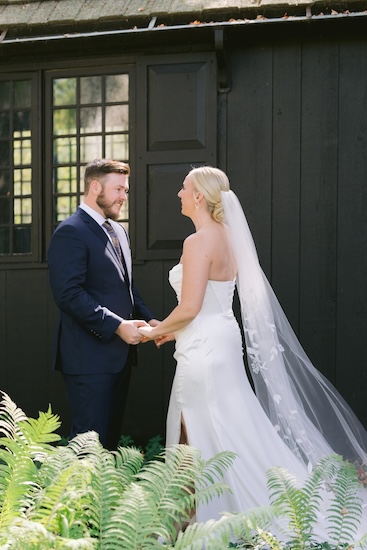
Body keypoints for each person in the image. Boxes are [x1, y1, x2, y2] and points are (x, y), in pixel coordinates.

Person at [138, 166, 367, 537]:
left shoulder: (197, 242)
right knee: (224, 425)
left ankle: (189, 523)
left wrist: (153, 332)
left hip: (204, 347)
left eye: (183, 189)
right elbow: (207, 304)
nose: (178, 194)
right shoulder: (228, 236)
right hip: (222, 339)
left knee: (190, 430)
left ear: (198, 196)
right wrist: (169, 332)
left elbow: (191, 307)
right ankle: (190, 519)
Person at [48, 158, 158, 450]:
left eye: (126, 190)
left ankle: (98, 497)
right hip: (88, 357)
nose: (124, 196)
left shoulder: (118, 231)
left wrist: (150, 320)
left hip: (118, 356)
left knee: (106, 445)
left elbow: (125, 285)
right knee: (89, 444)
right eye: (118, 189)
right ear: (94, 187)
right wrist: (117, 326)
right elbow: (68, 294)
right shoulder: (71, 231)